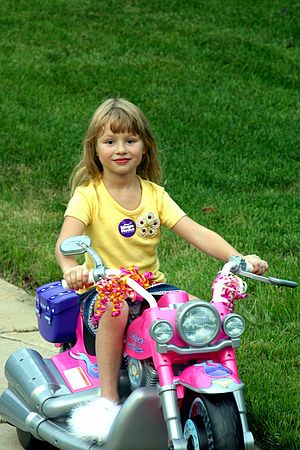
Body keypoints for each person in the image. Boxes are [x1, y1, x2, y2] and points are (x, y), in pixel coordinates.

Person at [55, 97, 268, 443]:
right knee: (116, 308)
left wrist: (237, 257)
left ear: (144, 148)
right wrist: (72, 268)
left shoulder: (155, 195)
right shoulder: (89, 195)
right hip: (104, 288)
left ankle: (192, 382)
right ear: (95, 149)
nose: (120, 149)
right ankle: (108, 398)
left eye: (130, 140)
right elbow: (66, 241)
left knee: (194, 311)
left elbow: (195, 230)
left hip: (152, 287)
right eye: (110, 141)